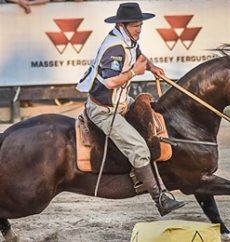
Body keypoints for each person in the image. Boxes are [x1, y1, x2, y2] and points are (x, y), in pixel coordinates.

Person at [76, 2, 185, 216]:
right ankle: (160, 199)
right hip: (105, 109)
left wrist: (152, 67)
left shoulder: (129, 40)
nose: (139, 30)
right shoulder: (115, 47)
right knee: (139, 149)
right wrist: (135, 72)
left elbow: (139, 54)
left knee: (152, 120)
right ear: (123, 25)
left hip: (122, 101)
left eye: (141, 25)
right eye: (136, 26)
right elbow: (109, 83)